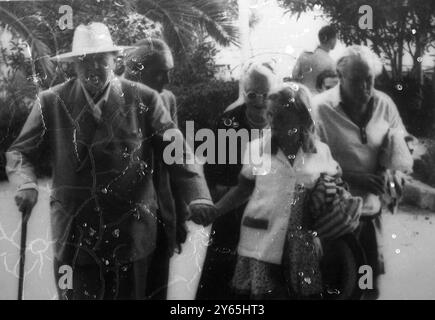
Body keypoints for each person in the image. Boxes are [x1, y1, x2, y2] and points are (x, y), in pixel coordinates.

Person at [6, 22, 215, 300]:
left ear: (114, 61)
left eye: (100, 59)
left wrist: (198, 196)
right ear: (73, 65)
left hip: (130, 234)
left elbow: (177, 152)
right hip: (75, 232)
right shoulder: (51, 102)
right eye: (84, 61)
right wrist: (25, 184)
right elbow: (20, 152)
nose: (92, 67)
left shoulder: (144, 99)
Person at [211, 83, 341, 299]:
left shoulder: (320, 152)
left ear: (302, 119)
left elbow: (334, 185)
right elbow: (242, 190)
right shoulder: (257, 149)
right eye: (270, 115)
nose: (273, 122)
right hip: (261, 239)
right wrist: (215, 210)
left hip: (300, 245)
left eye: (281, 117)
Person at [312, 45, 412, 299]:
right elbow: (309, 163)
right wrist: (352, 177)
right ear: (340, 76)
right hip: (335, 217)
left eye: (370, 80)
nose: (365, 88)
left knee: (370, 286)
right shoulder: (320, 109)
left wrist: (393, 176)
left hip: (370, 212)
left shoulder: (384, 105)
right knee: (339, 288)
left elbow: (402, 144)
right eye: (357, 81)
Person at [196, 63, 277, 299]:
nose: (260, 101)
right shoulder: (228, 121)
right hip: (232, 212)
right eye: (253, 94)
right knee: (220, 281)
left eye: (266, 94)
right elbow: (213, 172)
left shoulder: (282, 122)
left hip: (271, 216)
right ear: (244, 93)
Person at [123, 38, 188, 299]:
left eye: (169, 71)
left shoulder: (167, 99)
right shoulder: (111, 96)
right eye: (161, 72)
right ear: (137, 69)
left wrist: (180, 216)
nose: (167, 80)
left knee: (158, 290)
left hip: (161, 215)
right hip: (126, 221)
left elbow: (176, 160)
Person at [292, 25, 337, 94]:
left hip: (303, 97)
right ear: (331, 40)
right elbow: (332, 88)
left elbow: (295, 75)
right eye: (335, 38)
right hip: (319, 99)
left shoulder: (304, 55)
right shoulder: (331, 63)